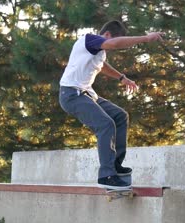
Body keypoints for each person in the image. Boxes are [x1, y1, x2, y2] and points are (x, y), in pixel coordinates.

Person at [59, 20, 163, 190]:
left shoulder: (98, 52)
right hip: (71, 94)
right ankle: (106, 176)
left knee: (120, 116)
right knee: (105, 125)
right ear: (107, 35)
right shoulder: (89, 39)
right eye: (115, 41)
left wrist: (122, 78)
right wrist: (145, 38)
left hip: (86, 94)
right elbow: (114, 44)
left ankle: (114, 166)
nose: (115, 46)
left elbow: (101, 66)